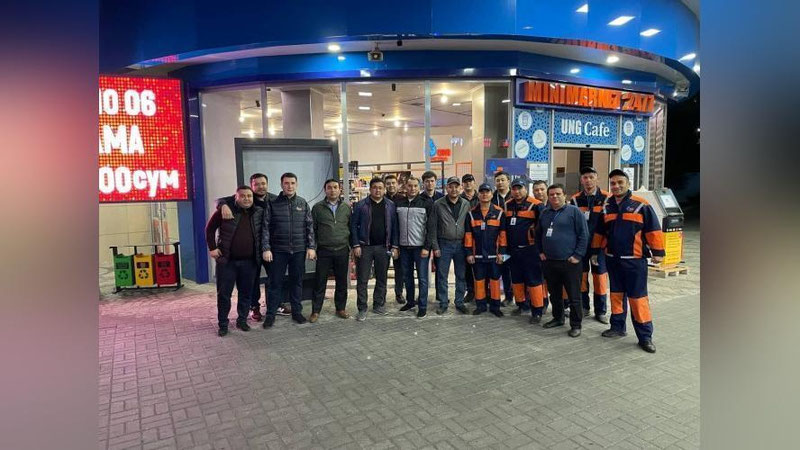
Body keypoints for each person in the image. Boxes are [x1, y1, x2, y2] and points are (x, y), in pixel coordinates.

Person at [590, 169, 665, 353]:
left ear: (628, 184)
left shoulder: (641, 205)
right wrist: (595, 252)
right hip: (612, 260)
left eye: (620, 182)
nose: (616, 186)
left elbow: (653, 230)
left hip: (635, 261)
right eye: (613, 183)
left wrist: (658, 252)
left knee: (638, 299)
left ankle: (645, 337)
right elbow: (599, 232)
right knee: (616, 295)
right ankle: (617, 327)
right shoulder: (607, 206)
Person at [215, 173, 278, 321]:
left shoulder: (274, 199)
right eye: (257, 184)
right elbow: (221, 200)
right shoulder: (247, 198)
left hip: (270, 247)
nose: (260, 187)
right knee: (253, 281)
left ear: (267, 184)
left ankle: (275, 304)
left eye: (263, 183)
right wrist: (223, 205)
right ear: (251, 186)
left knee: (275, 277)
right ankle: (254, 306)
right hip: (253, 250)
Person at [205, 186, 264, 336]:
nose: (247, 199)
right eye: (243, 196)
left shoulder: (258, 212)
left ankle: (242, 320)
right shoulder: (225, 210)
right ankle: (223, 324)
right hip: (227, 262)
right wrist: (212, 248)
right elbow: (209, 229)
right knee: (224, 294)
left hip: (250, 262)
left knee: (246, 293)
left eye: (249, 196)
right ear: (236, 197)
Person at [261, 172, 316, 327]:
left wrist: (311, 247)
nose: (289, 186)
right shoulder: (273, 203)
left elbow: (309, 227)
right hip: (278, 251)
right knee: (274, 283)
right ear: (281, 185)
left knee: (296, 282)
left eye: (292, 183)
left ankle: (297, 312)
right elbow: (265, 227)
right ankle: (271, 314)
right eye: (286, 183)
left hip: (298, 250)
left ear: (296, 184)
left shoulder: (302, 203)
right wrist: (266, 248)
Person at [537, 184, 589, 337]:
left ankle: (576, 325)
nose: (554, 196)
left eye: (558, 194)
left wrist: (578, 255)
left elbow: (584, 235)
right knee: (554, 294)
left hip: (570, 262)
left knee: (574, 296)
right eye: (551, 194)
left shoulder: (574, 211)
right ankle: (558, 318)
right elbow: (538, 234)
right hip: (550, 261)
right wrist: (540, 252)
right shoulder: (545, 213)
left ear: (565, 195)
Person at [350, 177, 399, 321]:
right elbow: (353, 226)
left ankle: (378, 305)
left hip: (384, 247)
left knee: (382, 278)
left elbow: (395, 227)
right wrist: (356, 245)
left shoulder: (390, 205)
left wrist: (394, 246)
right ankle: (362, 308)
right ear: (370, 189)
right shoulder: (361, 205)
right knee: (362, 279)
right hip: (365, 247)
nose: (378, 190)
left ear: (384, 189)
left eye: (380, 188)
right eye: (375, 187)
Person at [571, 167, 611, 324]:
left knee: (600, 279)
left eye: (591, 177)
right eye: (585, 177)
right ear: (581, 180)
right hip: (581, 246)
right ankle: (584, 307)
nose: (588, 180)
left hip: (599, 247)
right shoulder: (575, 200)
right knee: (581, 278)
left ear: (597, 179)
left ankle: (601, 311)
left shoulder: (607, 198)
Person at [505, 178, 547, 323]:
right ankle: (522, 305)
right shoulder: (508, 205)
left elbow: (543, 229)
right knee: (516, 280)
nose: (517, 192)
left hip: (531, 250)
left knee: (534, 281)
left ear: (525, 189)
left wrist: (541, 250)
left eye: (520, 188)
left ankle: (537, 311)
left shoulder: (536, 205)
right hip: (513, 250)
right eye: (514, 189)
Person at [310, 179, 351, 323]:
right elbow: (312, 230)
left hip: (342, 250)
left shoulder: (346, 207)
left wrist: (351, 248)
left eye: (335, 187)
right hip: (324, 251)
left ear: (340, 190)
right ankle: (316, 311)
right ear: (325, 190)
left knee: (342, 282)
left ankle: (341, 308)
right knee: (320, 282)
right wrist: (312, 248)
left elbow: (350, 228)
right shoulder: (317, 208)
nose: (332, 190)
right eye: (329, 187)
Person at [464, 183, 508, 317]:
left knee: (495, 281)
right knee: (479, 281)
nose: (484, 194)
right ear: (478, 195)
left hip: (494, 256)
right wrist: (469, 253)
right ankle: (481, 306)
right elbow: (468, 236)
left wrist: (502, 253)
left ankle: (495, 306)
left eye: (487, 192)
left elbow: (503, 235)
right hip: (477, 256)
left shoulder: (499, 213)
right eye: (482, 192)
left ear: (491, 194)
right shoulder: (471, 214)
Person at [395, 176, 436, 318]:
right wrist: (396, 246)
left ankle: (422, 306)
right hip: (404, 247)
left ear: (419, 187)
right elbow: (396, 227)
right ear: (405, 187)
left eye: (415, 186)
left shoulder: (427, 203)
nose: (412, 188)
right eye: (410, 186)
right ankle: (410, 302)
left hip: (420, 248)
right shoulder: (399, 203)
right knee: (407, 277)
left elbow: (431, 227)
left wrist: (427, 247)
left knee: (423, 278)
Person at [431, 177, 471, 315]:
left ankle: (459, 302)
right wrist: (435, 247)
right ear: (446, 188)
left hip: (461, 244)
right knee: (442, 276)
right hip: (444, 244)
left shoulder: (466, 204)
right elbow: (433, 227)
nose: (454, 189)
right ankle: (443, 303)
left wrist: (469, 246)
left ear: (460, 188)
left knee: (461, 275)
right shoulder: (438, 204)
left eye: (456, 186)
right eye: (451, 186)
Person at [491, 171, 514, 306]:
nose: (500, 183)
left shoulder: (515, 196)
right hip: (495, 240)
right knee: (499, 269)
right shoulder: (491, 198)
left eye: (502, 180)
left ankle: (513, 296)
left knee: (511, 271)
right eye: (497, 180)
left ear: (508, 181)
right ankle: (499, 297)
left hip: (513, 240)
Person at [384, 174, 406, 305]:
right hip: (384, 240)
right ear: (385, 185)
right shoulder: (381, 199)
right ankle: (382, 295)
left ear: (397, 184)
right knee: (382, 269)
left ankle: (399, 293)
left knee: (399, 269)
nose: (391, 185)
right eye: (388, 183)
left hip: (399, 239)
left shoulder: (403, 199)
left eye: (393, 183)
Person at [460, 174, 479, 303]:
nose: (468, 184)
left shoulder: (482, 196)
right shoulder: (459, 198)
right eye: (465, 182)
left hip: (480, 237)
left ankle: (482, 292)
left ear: (474, 183)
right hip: (464, 237)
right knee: (467, 267)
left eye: (470, 181)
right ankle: (470, 290)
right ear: (463, 184)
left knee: (480, 267)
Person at [531, 179, 551, 308]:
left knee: (555, 278)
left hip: (554, 248)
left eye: (542, 189)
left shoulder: (555, 205)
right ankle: (543, 302)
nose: (539, 192)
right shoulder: (532, 207)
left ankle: (563, 305)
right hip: (538, 248)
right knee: (541, 277)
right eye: (536, 190)